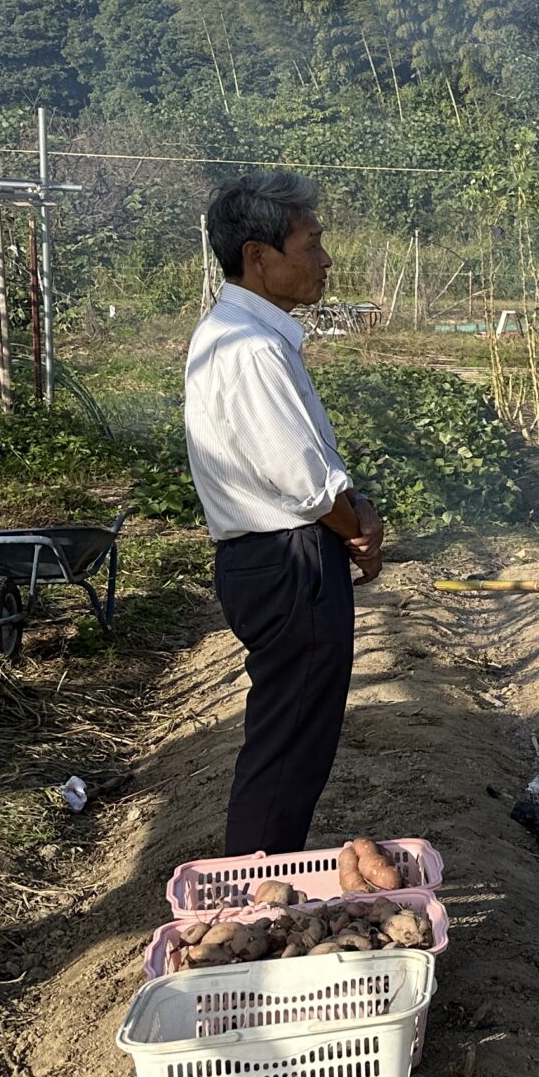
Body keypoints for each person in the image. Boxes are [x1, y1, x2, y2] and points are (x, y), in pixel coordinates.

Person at [183, 172, 385, 856]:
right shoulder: (249, 348)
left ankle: (257, 889)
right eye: (312, 243)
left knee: (290, 740)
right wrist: (358, 526)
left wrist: (352, 513)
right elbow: (302, 480)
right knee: (288, 751)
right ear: (258, 257)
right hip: (289, 562)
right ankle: (251, 907)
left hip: (275, 558)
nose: (325, 260)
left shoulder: (242, 336)